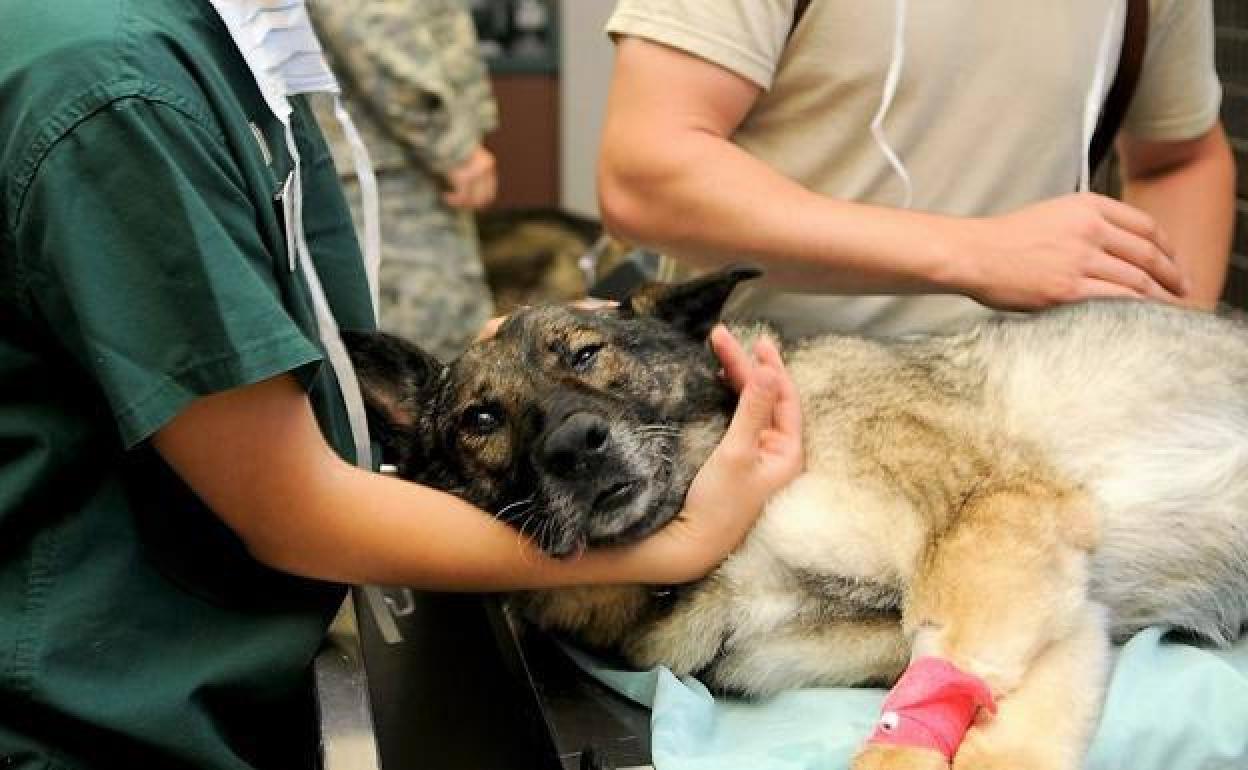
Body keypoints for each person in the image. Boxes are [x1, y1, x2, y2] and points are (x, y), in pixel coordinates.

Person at [0, 1, 803, 768]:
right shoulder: (119, 91)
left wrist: (532, 358)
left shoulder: (228, 35)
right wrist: (682, 543)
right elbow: (291, 510)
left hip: (209, 673)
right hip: (103, 713)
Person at [598, 0, 1237, 338]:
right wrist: (975, 253)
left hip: (1034, 421)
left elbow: (1181, 157)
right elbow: (646, 173)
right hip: (769, 421)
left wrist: (1164, 355)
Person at [308, 0, 500, 362]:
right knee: (427, 359)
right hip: (387, 173)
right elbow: (374, 27)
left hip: (388, 164)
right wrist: (453, 145)